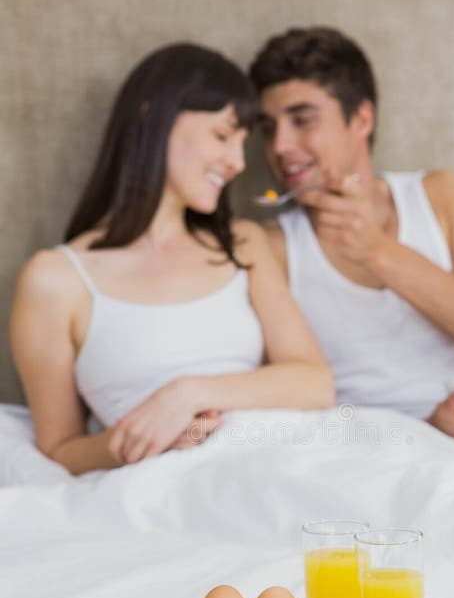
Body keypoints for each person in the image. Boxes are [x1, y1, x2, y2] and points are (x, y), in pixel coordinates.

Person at [10, 42, 333, 475]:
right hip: (165, 488)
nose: (237, 162)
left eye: (243, 142)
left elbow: (315, 383)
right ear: (151, 117)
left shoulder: (242, 245)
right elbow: (61, 449)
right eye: (222, 135)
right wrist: (147, 441)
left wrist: (186, 395)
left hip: (280, 461)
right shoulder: (56, 280)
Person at [249, 27, 454, 450]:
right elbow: (280, 403)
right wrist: (424, 433)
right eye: (268, 128)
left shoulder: (441, 197)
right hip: (361, 455)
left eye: (302, 120)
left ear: (362, 119)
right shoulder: (271, 247)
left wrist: (378, 252)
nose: (280, 145)